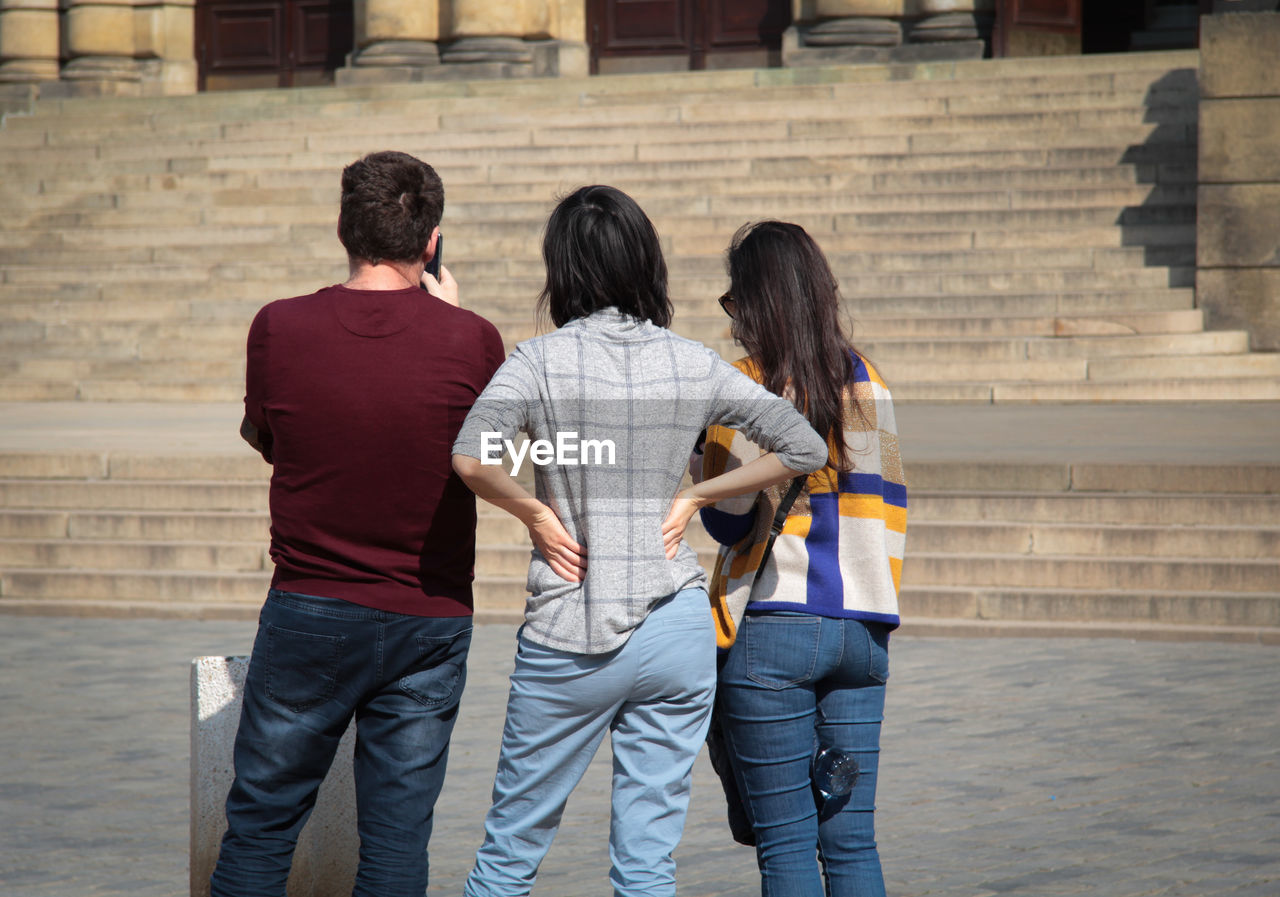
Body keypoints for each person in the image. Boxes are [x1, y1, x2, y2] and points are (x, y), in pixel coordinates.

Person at [450, 186, 829, 897]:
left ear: (562, 269)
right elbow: (803, 445)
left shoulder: (536, 362)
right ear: (645, 263)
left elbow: (471, 457)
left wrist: (534, 512)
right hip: (675, 628)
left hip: (571, 625)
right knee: (647, 864)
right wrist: (697, 495)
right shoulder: (691, 362)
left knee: (508, 856)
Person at [210, 150, 506, 897]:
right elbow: (491, 456)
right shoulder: (472, 338)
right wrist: (446, 318)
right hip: (428, 614)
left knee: (261, 824)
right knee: (398, 841)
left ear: (344, 228)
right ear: (431, 240)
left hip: (310, 603)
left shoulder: (278, 327)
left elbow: (267, 438)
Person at [699, 221, 908, 897]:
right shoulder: (868, 379)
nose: (733, 323)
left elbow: (727, 523)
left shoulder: (747, 384)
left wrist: (704, 467)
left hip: (775, 629)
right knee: (852, 843)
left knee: (787, 843)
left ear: (758, 301)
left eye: (736, 304)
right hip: (863, 627)